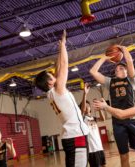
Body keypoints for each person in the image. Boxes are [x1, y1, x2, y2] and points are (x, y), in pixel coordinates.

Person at [90, 45, 135, 167]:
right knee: (124, 156)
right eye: (116, 69)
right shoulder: (109, 82)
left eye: (121, 68)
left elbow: (129, 61)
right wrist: (104, 57)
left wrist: (123, 49)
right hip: (118, 123)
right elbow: (93, 71)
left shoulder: (131, 80)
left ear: (126, 71)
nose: (118, 70)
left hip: (132, 120)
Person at [34, 30, 89, 167]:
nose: (55, 75)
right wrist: (63, 44)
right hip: (76, 136)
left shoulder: (51, 93)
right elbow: (64, 65)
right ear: (50, 83)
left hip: (70, 137)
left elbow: (58, 68)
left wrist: (60, 50)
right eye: (51, 76)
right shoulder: (57, 89)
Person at [80, 83, 106, 167]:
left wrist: (99, 109)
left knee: (103, 165)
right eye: (85, 105)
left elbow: (103, 119)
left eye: (88, 105)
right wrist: (85, 94)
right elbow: (82, 109)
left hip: (99, 147)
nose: (87, 106)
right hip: (91, 150)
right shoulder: (82, 119)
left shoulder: (93, 118)